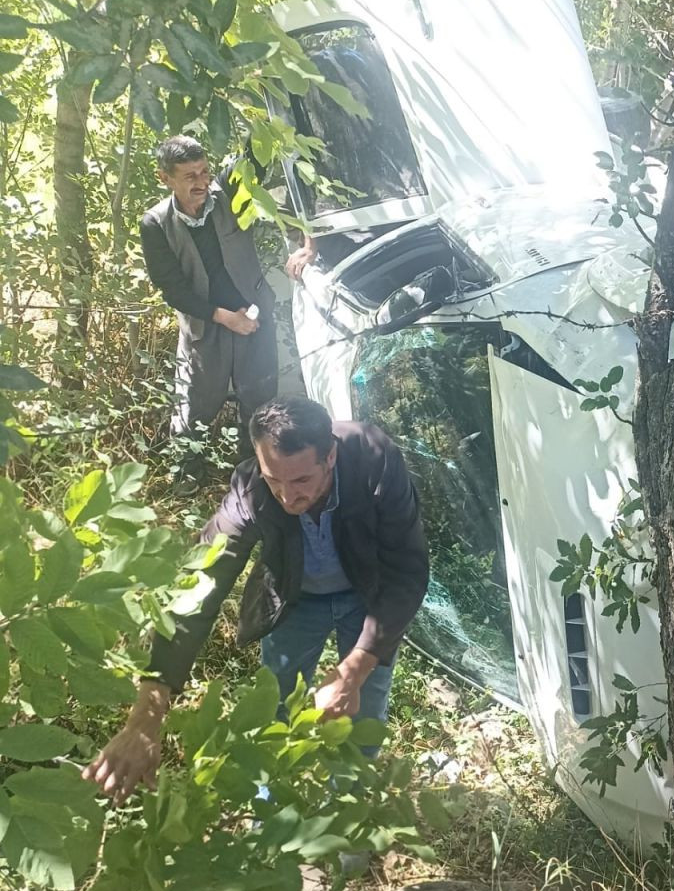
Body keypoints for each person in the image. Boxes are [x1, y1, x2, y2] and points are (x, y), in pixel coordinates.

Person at [84, 396, 430, 802]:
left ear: (330, 456)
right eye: (273, 479)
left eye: (302, 481)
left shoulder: (373, 457)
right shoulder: (250, 489)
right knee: (276, 704)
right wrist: (145, 721)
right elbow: (198, 591)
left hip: (367, 596)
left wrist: (351, 672)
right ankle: (271, 806)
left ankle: (348, 808)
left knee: (362, 706)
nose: (287, 497)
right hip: (294, 597)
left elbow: (407, 572)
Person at [140, 136, 315, 485]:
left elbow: (259, 152)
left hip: (254, 319)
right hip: (205, 327)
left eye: (205, 171)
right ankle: (187, 483)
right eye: (190, 176)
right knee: (195, 408)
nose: (202, 182)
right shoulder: (156, 224)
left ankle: (253, 481)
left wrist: (309, 242)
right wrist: (223, 317)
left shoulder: (228, 191)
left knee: (260, 402)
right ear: (166, 178)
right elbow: (172, 288)